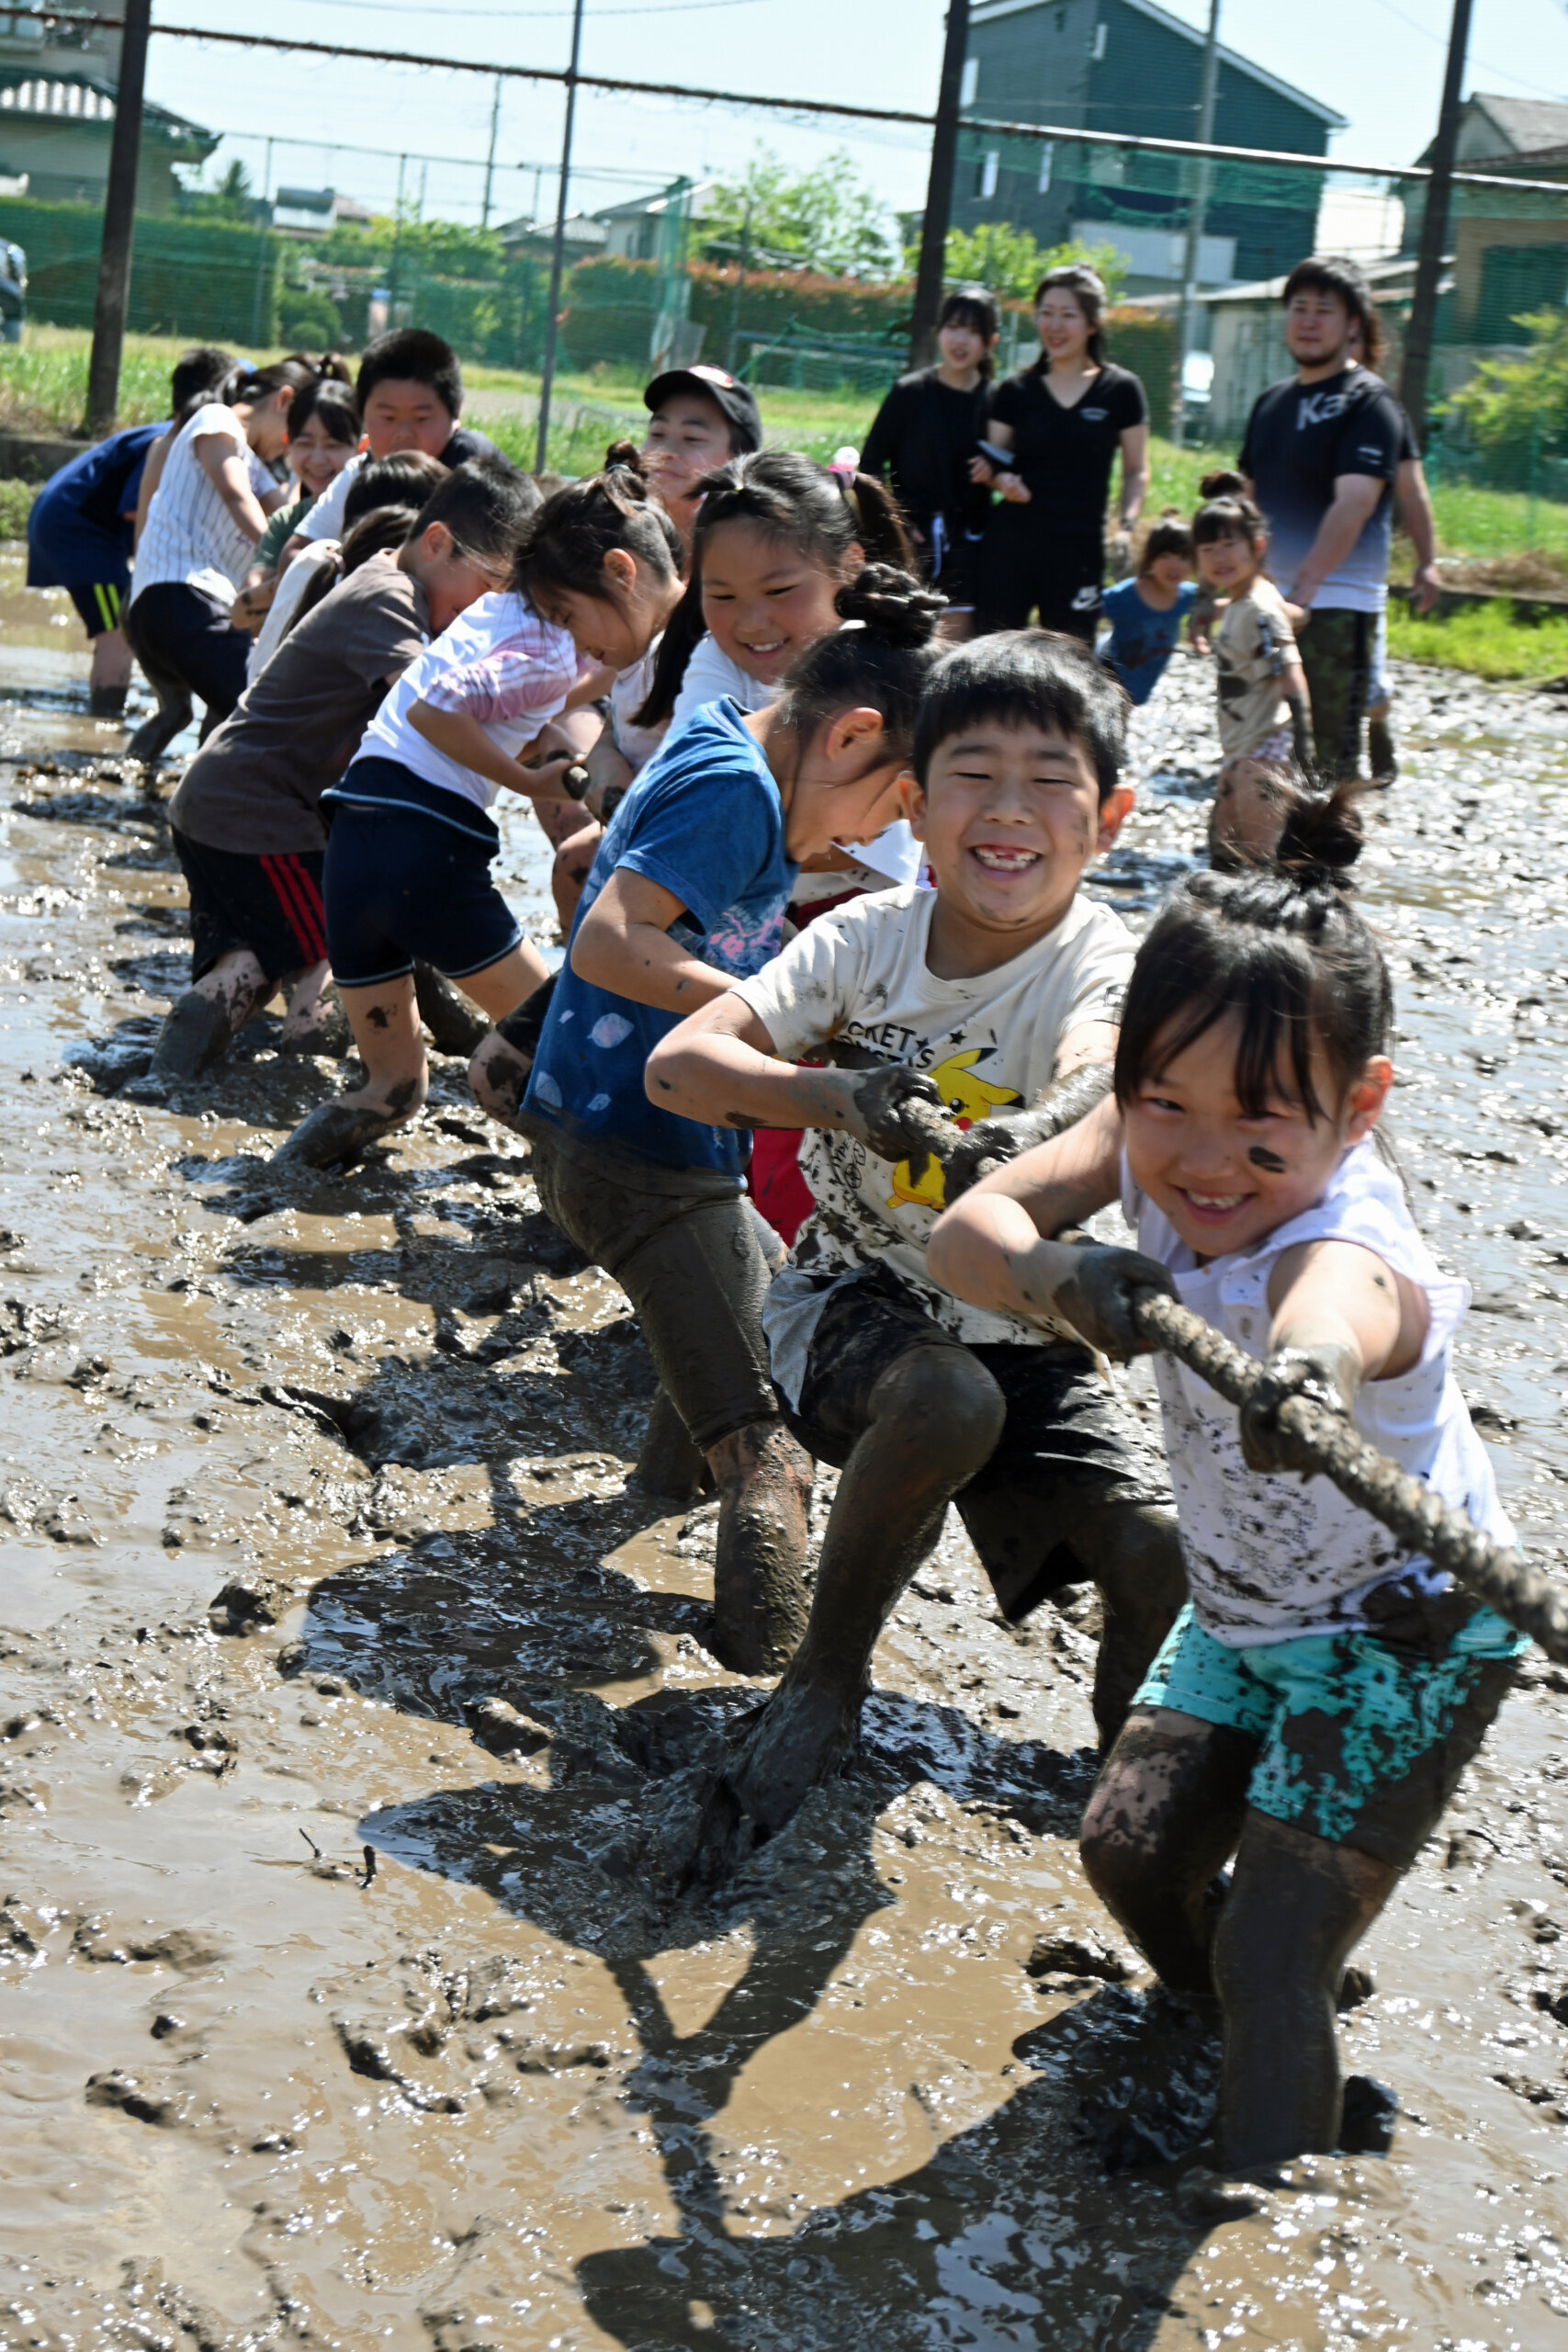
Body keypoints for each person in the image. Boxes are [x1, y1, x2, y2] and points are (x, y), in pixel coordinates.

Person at [925, 794, 1525, 2179]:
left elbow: (1341, 1309)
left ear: (1356, 1108)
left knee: (1274, 1942)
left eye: (1260, 1138)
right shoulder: (1141, 1152)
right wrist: (1049, 1270)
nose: (1205, 1166)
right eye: (1165, 1109)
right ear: (1128, 1078)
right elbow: (968, 1229)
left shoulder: (1346, 1236)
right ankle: (1235, 2019)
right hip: (1243, 1608)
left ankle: (1270, 2197)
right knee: (1127, 1854)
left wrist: (1301, 1373)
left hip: (1399, 1639)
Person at [649, 631, 1189, 1851]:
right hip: (849, 1301)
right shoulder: (865, 939)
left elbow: (1100, 1083)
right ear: (911, 802)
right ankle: (824, 1677)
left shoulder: (1105, 963)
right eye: (972, 776)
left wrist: (1024, 1156)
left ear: (1106, 817)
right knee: (944, 1402)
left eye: (1049, 782)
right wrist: (834, 1097)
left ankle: (1129, 1798)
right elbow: (682, 1066)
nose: (1008, 814)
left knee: (1153, 1553)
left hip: (1024, 1315)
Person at [516, 567, 945, 1674]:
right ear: (851, 737)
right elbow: (610, 941)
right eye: (897, 804)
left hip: (611, 1130)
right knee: (773, 1455)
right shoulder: (739, 793)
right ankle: (770, 1675)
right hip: (639, 1150)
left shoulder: (725, 737)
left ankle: (658, 1494)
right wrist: (771, 1019)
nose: (882, 835)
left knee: (759, 1292)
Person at [140, 462, 531, 1092]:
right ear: (435, 544)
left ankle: (164, 1082)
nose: (477, 619)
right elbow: (427, 708)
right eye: (481, 595)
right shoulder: (390, 600)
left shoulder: (379, 579)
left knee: (253, 962)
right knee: (337, 946)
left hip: (224, 803)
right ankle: (299, 1078)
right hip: (260, 811)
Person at [273, 473, 590, 1170]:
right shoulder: (556, 646)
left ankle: (273, 1185)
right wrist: (531, 778)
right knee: (561, 1031)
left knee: (393, 1086)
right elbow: (450, 705)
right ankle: (597, 1195)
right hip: (425, 853)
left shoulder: (486, 613)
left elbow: (508, 706)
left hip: (353, 845)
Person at [1238, 255, 1405, 781]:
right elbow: (1247, 502)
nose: (1308, 321)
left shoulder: (1368, 402)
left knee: (1327, 757)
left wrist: (1302, 592)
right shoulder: (1271, 401)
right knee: (1261, 740)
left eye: (1323, 311)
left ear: (1352, 324)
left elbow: (1354, 503)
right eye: (1299, 308)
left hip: (1332, 604)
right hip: (1268, 602)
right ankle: (1260, 854)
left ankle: (1326, 862)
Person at [25, 345, 233, 718]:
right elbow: (136, 510)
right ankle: (103, 727)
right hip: (79, 530)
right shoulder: (176, 443)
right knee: (116, 633)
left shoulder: (176, 434)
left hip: (71, 519)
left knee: (118, 622)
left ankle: (109, 709)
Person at [124, 358, 318, 754]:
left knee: (219, 715)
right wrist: (292, 562)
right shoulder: (217, 420)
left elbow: (284, 515)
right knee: (261, 711)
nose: (289, 446)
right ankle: (203, 806)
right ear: (283, 400)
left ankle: (157, 795)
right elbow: (235, 494)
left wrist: (305, 468)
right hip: (180, 596)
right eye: (295, 435)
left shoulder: (257, 466)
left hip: (173, 612)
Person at [973, 265, 1149, 643]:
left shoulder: (1121, 389)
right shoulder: (1016, 389)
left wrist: (1127, 527)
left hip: (1079, 547)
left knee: (1071, 662)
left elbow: (1136, 470)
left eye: (1068, 315)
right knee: (993, 655)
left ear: (1092, 323)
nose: (1055, 325)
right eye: (1046, 313)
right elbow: (990, 462)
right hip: (1012, 543)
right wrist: (1001, 480)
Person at [277, 327, 508, 571]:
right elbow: (295, 553)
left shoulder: (477, 474)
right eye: (387, 418)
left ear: (456, 412)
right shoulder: (363, 469)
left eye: (421, 419)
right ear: (362, 413)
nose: (403, 434)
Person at [858, 287, 998, 635]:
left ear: (990, 341)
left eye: (972, 331)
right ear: (939, 331)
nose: (960, 339)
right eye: (953, 327)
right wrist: (898, 522)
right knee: (905, 637)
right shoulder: (910, 393)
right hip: (912, 537)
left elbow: (1019, 464)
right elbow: (871, 465)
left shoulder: (997, 401)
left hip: (968, 539)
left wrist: (996, 470)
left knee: (956, 642)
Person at [1193, 474, 1312, 781]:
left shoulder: (1260, 607)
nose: (1219, 557)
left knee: (1250, 827)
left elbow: (1291, 675)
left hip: (1263, 746)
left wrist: (1304, 744)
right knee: (1225, 828)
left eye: (1229, 545)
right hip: (1239, 744)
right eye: (1207, 549)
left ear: (1258, 546)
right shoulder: (1239, 600)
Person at [231, 370, 360, 637]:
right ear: (288, 445)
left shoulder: (373, 512)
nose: (317, 458)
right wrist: (295, 579)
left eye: (333, 445)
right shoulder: (286, 522)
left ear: (361, 448)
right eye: (305, 443)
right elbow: (242, 616)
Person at [637, 361, 763, 548]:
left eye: (692, 438)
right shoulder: (600, 531)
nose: (664, 451)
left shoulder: (753, 555)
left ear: (739, 461)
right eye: (657, 434)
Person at [1098, 514, 1197, 706]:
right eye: (1165, 556)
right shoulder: (1127, 595)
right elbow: (1089, 609)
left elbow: (1218, 608)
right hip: (1109, 670)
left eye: (1183, 557)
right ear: (1150, 558)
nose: (1174, 565)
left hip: (1141, 680)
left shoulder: (1187, 596)